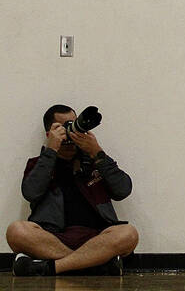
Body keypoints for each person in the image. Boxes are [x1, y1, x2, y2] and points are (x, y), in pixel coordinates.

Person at [7, 105, 138, 276]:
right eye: (62, 128)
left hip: (97, 238)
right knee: (16, 231)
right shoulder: (39, 163)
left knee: (129, 234)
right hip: (53, 238)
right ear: (49, 134)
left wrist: (98, 153)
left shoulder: (95, 160)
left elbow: (123, 190)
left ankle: (52, 267)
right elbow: (31, 193)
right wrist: (51, 151)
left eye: (73, 125)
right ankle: (96, 264)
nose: (69, 133)